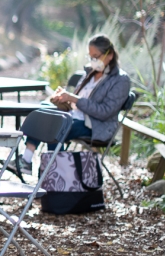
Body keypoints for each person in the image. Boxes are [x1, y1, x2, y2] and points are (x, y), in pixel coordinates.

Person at [13, 34, 131, 175]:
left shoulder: (120, 80)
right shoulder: (90, 72)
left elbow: (105, 112)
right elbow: (77, 100)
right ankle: (27, 160)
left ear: (110, 55)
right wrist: (64, 100)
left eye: (96, 56)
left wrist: (75, 99)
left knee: (56, 126)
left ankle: (55, 174)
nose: (93, 60)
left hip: (95, 125)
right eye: (90, 56)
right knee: (42, 112)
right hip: (74, 115)